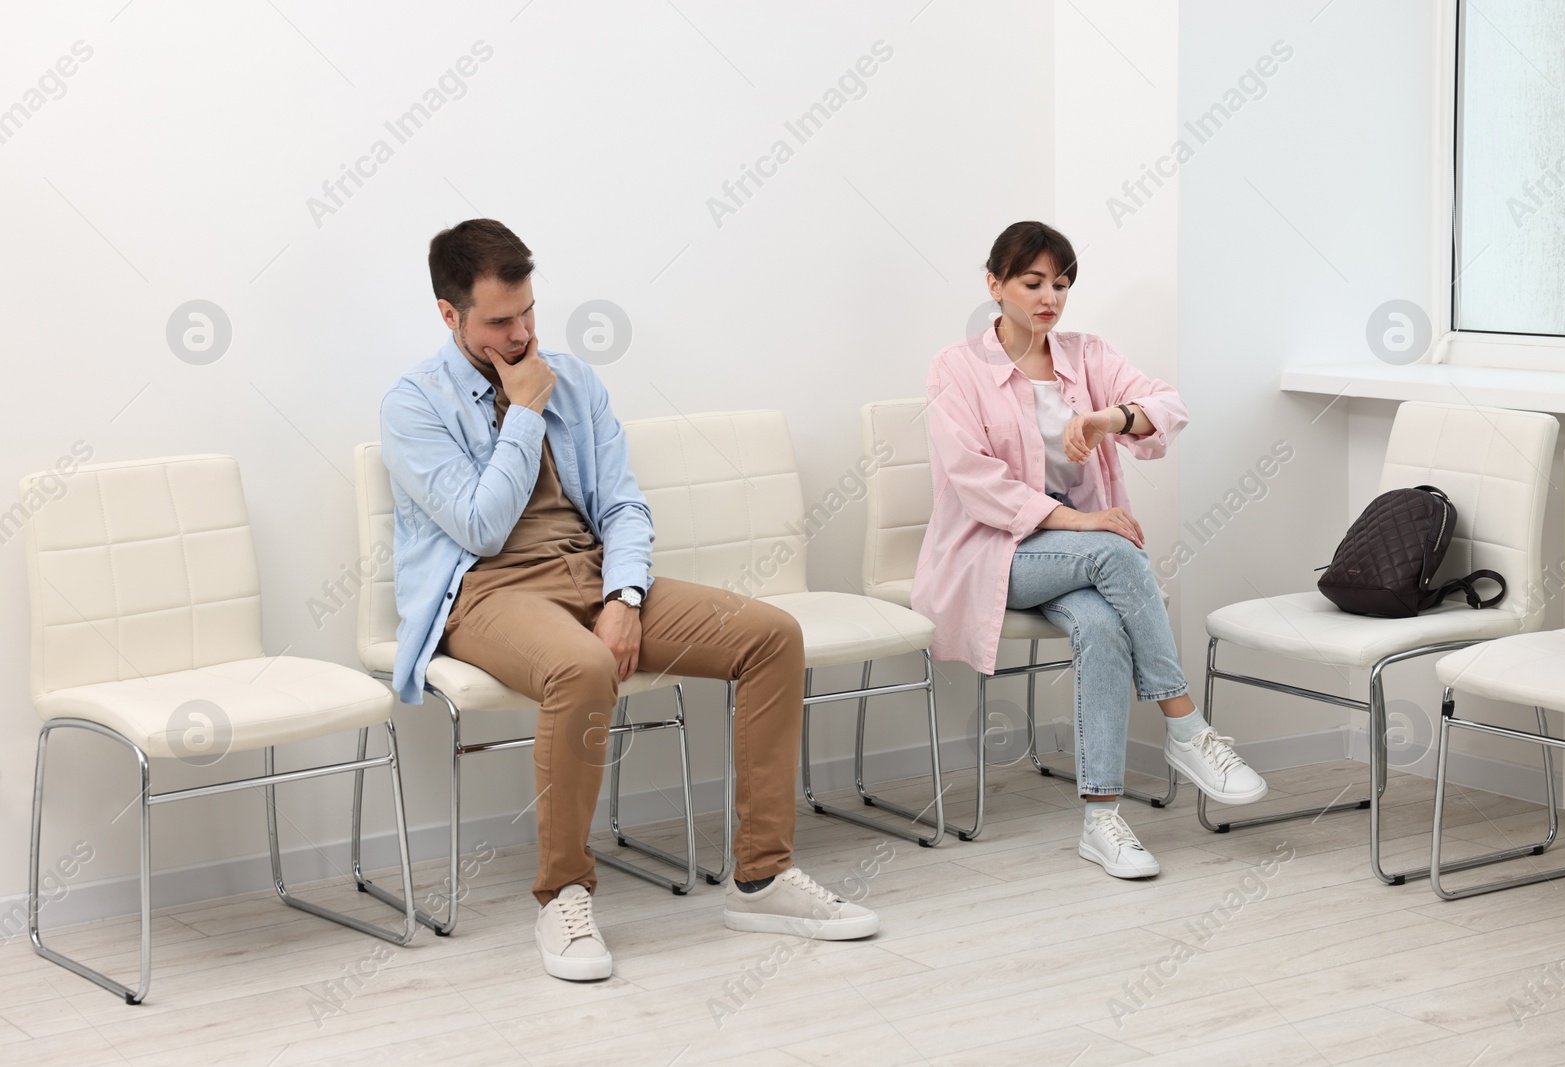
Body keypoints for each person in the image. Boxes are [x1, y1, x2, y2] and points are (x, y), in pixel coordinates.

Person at [380, 219, 877, 981]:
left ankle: (762, 878)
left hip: (592, 573)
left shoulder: (576, 380)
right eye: (498, 321)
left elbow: (624, 507)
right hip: (486, 594)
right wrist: (522, 412)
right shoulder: (413, 404)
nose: (521, 334)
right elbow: (480, 528)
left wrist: (626, 594)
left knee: (772, 635)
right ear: (449, 315)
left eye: (529, 312)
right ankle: (564, 895)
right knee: (581, 668)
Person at [913, 220, 1267, 879]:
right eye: (1032, 282)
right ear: (994, 284)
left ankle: (1102, 820)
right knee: (1113, 547)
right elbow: (976, 482)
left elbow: (1169, 406)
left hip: (1079, 559)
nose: (1050, 296)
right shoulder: (955, 368)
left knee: (1102, 623)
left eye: (1063, 283)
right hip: (995, 553)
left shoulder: (1087, 355)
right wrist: (1085, 524)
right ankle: (1186, 726)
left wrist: (1111, 418)